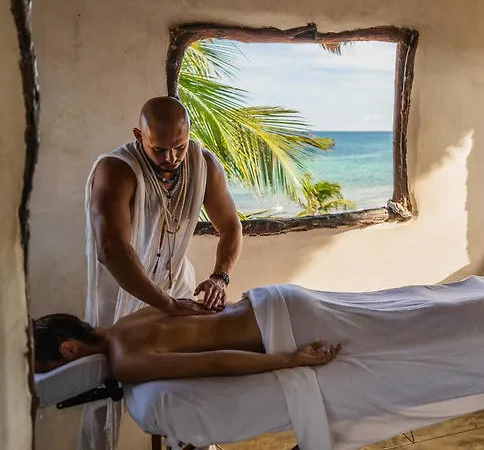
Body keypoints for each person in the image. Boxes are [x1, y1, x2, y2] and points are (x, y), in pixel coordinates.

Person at [80, 96, 243, 450]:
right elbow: (112, 250)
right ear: (139, 135)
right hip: (120, 293)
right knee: (103, 391)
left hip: (178, 285)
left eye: (179, 147)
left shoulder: (204, 165)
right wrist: (165, 304)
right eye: (159, 149)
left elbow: (231, 226)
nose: (171, 157)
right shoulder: (116, 170)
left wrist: (220, 277)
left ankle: (188, 444)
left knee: (184, 380)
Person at [33, 298, 341, 384]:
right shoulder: (127, 320)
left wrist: (291, 359)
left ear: (69, 349)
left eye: (52, 370)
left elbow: (214, 361)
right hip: (271, 300)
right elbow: (197, 306)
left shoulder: (125, 363)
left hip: (283, 328)